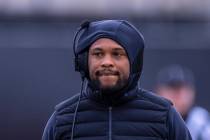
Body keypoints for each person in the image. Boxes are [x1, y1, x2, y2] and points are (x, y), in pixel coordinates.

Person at [42, 20, 192, 140]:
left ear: (134, 62)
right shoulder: (62, 119)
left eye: (117, 54)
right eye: (98, 54)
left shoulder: (164, 116)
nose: (107, 62)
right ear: (84, 62)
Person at [155, 64, 210, 140]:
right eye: (172, 89)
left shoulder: (200, 121)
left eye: (181, 90)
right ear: (158, 92)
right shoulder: (150, 118)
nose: (177, 95)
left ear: (192, 93)